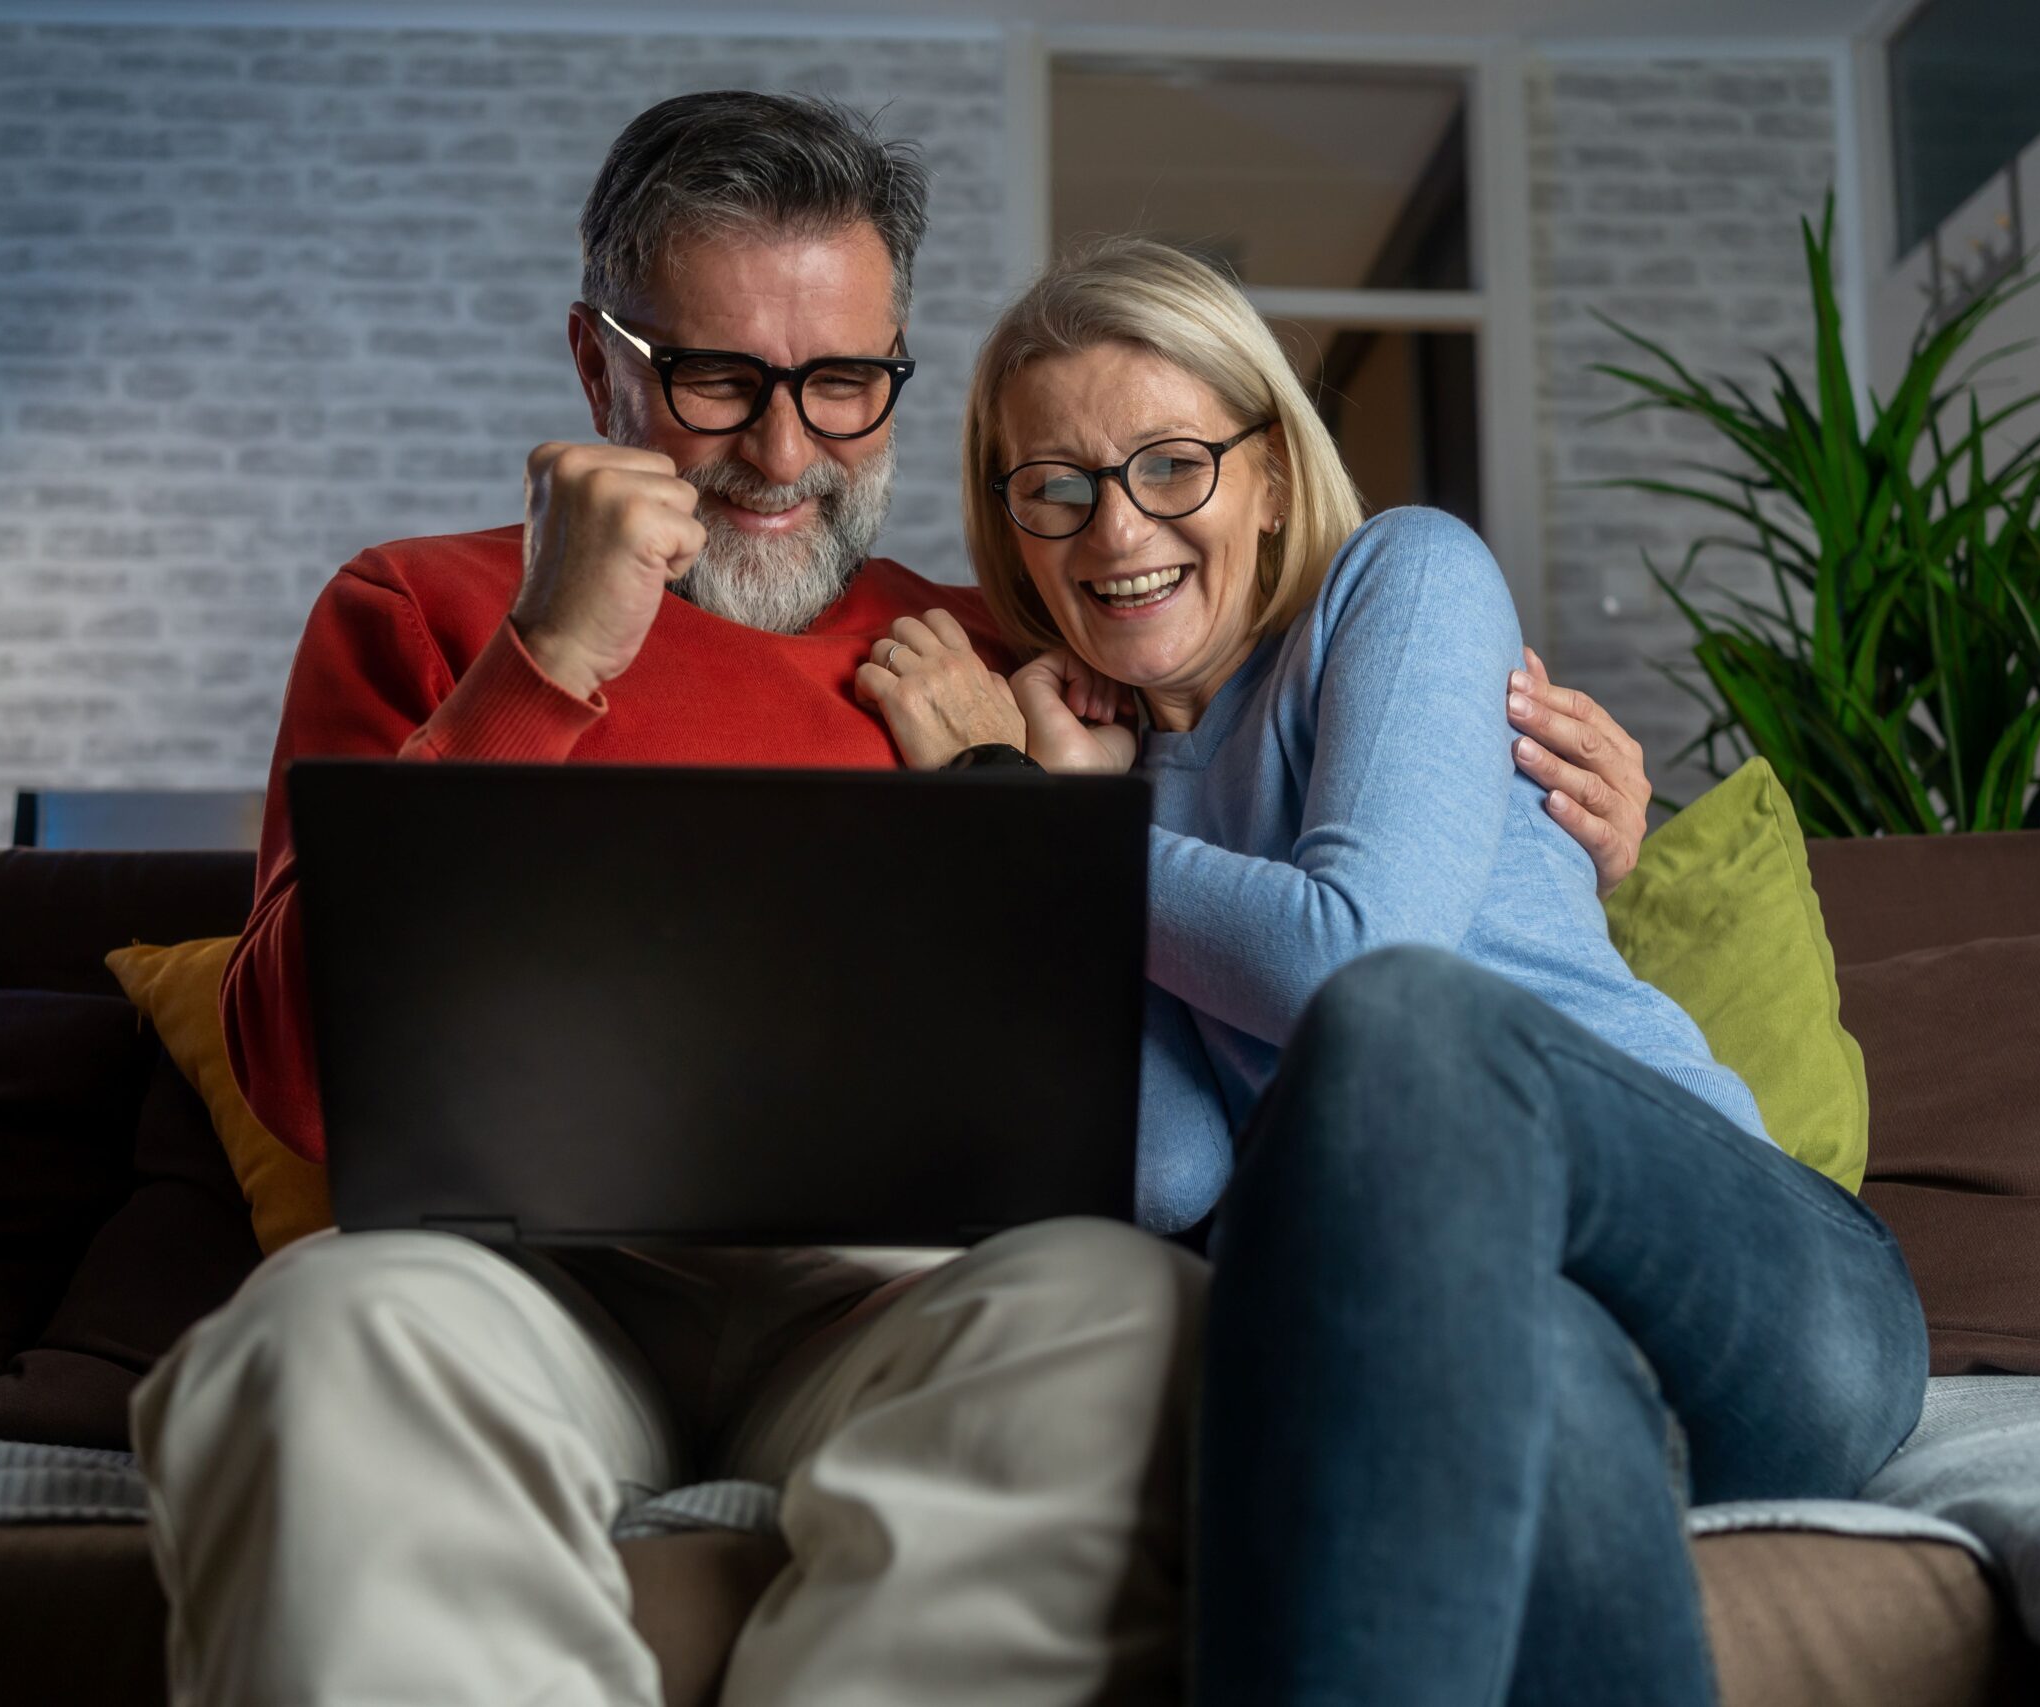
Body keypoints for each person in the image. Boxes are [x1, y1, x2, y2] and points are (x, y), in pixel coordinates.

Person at [132, 97, 1659, 1707]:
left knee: (1138, 1320)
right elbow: (296, 1076)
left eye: (843, 384)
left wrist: (1566, 831)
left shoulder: (1009, 655)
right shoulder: (421, 610)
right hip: (523, 1281)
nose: (782, 452)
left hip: (906, 1300)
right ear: (601, 366)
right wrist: (551, 657)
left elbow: (1284, 861)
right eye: (718, 378)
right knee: (317, 1341)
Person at [862, 237, 1930, 1706]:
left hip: (1759, 1299)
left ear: (1277, 476)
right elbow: (1171, 1175)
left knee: (1404, 1020)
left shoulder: (1402, 578)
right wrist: (1093, 815)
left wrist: (1031, 828)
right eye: (1057, 486)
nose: (1117, 531)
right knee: (1533, 1380)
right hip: (1496, 1329)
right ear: (1014, 523)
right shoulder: (1110, 781)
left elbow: (1359, 960)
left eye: (1174, 465)